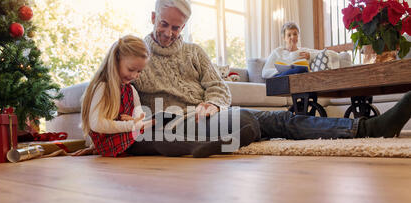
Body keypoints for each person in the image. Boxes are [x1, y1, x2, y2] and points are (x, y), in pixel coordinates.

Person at [75, 0, 411, 156]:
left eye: (176, 27)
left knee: (278, 120)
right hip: (177, 123)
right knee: (265, 121)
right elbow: (107, 85)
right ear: (153, 17)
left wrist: (211, 103)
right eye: (163, 24)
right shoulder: (138, 57)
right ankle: (367, 129)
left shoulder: (194, 52)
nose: (169, 33)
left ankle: (367, 129)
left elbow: (218, 87)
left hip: (208, 115)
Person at [80, 35, 233, 158]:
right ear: (115, 61)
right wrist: (132, 125)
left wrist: (139, 120)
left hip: (130, 133)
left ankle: (205, 144)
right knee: (158, 140)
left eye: (139, 72)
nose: (134, 76)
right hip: (111, 141)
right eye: (131, 69)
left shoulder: (130, 90)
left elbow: (138, 114)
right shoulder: (102, 87)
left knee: (159, 133)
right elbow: (97, 124)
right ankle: (200, 147)